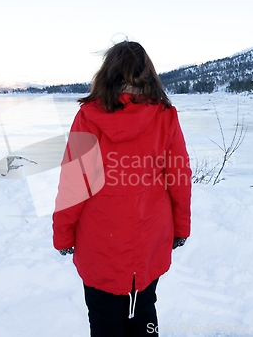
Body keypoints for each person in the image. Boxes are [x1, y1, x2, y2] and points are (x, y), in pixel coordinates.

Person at [52, 41, 192, 337]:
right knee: (144, 311)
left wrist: (63, 234)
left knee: (103, 320)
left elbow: (74, 184)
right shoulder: (165, 115)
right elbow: (179, 178)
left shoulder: (89, 117)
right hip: (149, 240)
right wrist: (181, 229)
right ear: (148, 74)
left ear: (107, 74)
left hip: (100, 243)